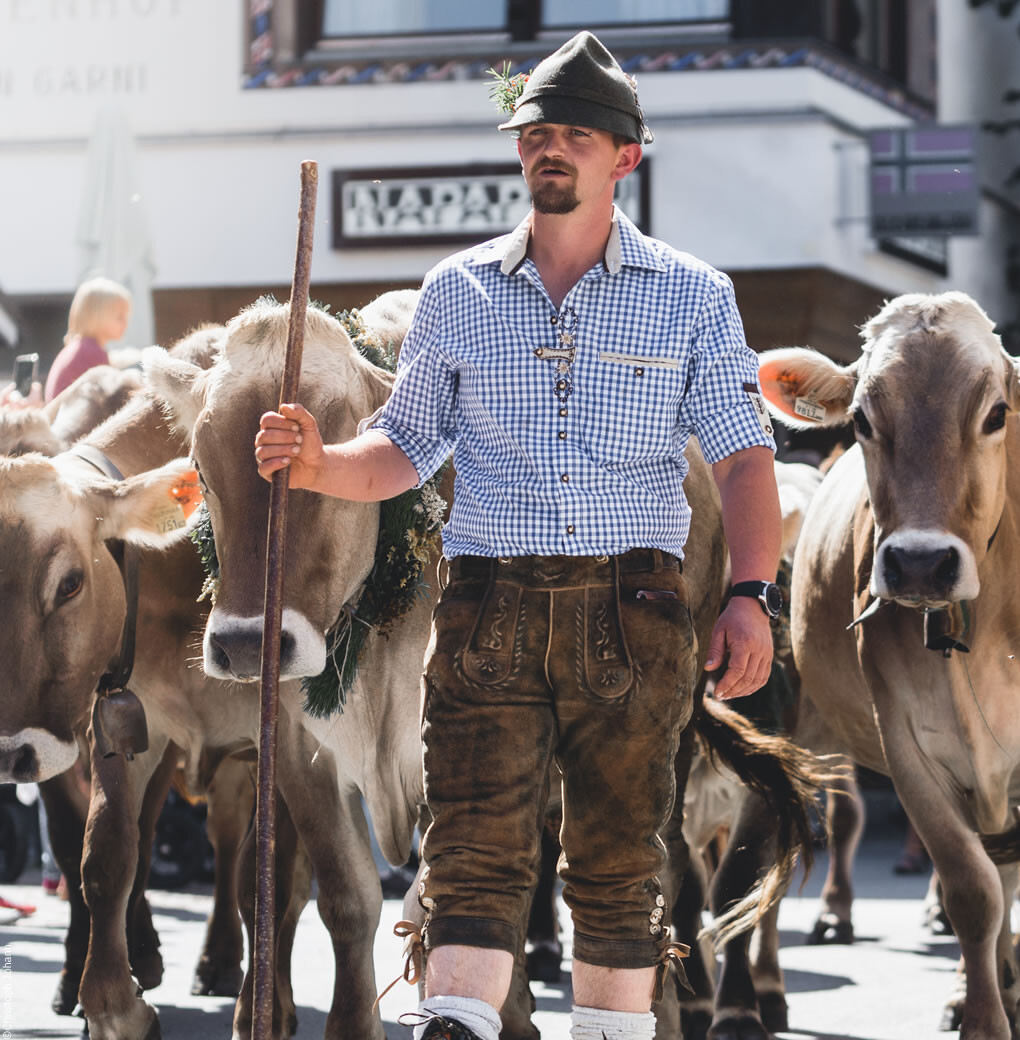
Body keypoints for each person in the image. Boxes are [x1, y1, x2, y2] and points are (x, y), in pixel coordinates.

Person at [252, 31, 782, 1040]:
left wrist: (750, 593)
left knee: (622, 858)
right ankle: (454, 1023)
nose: (551, 148)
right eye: (536, 132)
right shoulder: (459, 291)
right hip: (489, 609)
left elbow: (743, 460)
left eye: (576, 134)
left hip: (637, 612)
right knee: (471, 854)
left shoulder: (693, 294)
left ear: (625, 156)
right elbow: (402, 447)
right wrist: (321, 463)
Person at [45, 276, 131, 400]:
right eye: (120, 317)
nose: (126, 322)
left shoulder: (79, 347)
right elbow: (111, 402)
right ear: (99, 317)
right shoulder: (91, 352)